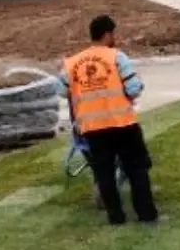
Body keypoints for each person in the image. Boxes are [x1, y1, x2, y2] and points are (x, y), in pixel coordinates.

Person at [59, 15, 158, 225]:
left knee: (103, 172)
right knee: (137, 169)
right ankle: (146, 214)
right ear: (107, 34)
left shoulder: (72, 62)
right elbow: (133, 87)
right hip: (122, 124)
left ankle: (115, 216)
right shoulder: (116, 57)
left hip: (92, 128)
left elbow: (61, 91)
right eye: (113, 33)